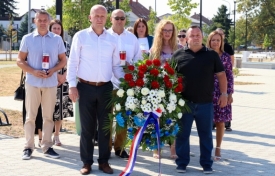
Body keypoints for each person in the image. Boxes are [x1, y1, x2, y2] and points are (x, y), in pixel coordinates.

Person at [67, 5, 124, 175]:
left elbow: (115, 66)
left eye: (102, 16)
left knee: (105, 127)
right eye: (96, 15)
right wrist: (71, 85)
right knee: (87, 128)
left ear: (106, 18)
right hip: (85, 87)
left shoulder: (112, 39)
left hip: (106, 88)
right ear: (90, 18)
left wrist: (125, 85)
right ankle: (86, 162)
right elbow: (73, 62)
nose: (99, 18)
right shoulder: (81, 36)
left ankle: (104, 162)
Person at [172, 26, 228, 174]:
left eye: (198, 35)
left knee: (206, 135)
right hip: (184, 103)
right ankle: (182, 163)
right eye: (192, 35)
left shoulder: (211, 55)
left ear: (202, 37)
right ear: (187, 38)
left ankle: (206, 164)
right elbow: (170, 77)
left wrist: (224, 94)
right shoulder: (178, 55)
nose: (195, 38)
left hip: (205, 103)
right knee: (182, 135)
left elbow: (222, 75)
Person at [17, 10, 67, 160]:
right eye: (40, 20)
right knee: (30, 116)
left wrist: (53, 70)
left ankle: (47, 146)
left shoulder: (56, 39)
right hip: (32, 82)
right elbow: (20, 60)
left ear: (49, 22)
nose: (43, 22)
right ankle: (28, 147)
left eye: (45, 20)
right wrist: (32, 71)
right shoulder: (27, 38)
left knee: (48, 116)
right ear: (35, 21)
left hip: (50, 83)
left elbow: (63, 60)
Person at [108, 9, 142, 159]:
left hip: (125, 84)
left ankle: (120, 148)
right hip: (107, 81)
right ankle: (105, 146)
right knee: (106, 117)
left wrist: (132, 65)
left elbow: (138, 57)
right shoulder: (105, 36)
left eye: (122, 18)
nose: (120, 20)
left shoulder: (132, 38)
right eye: (117, 18)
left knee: (123, 117)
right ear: (111, 19)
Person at [149, 19, 181, 159]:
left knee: (172, 118)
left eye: (170, 30)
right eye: (165, 30)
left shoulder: (179, 48)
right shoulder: (154, 49)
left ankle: (173, 148)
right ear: (160, 32)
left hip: (173, 88)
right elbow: (150, 68)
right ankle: (156, 148)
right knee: (158, 117)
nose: (167, 33)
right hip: (158, 86)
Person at [206, 31, 234, 161]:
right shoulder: (204, 55)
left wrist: (229, 93)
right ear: (209, 41)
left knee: (220, 122)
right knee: (205, 123)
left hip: (221, 93)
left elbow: (229, 76)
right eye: (213, 40)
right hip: (206, 92)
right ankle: (206, 149)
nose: (215, 42)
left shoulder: (226, 57)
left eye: (218, 40)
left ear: (221, 42)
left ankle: (218, 148)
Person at [49, 19, 73, 146]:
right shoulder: (46, 43)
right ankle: (45, 136)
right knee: (48, 109)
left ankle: (57, 135)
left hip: (63, 81)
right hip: (49, 80)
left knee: (60, 110)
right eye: (54, 28)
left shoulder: (66, 45)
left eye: (59, 28)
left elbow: (71, 62)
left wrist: (64, 76)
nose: (57, 31)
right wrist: (56, 75)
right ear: (50, 29)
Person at [216, 28, 234, 131]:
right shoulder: (208, 51)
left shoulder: (227, 48)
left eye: (221, 35)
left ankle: (226, 124)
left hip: (223, 85)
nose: (217, 39)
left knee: (224, 107)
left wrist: (230, 92)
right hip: (210, 89)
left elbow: (229, 70)